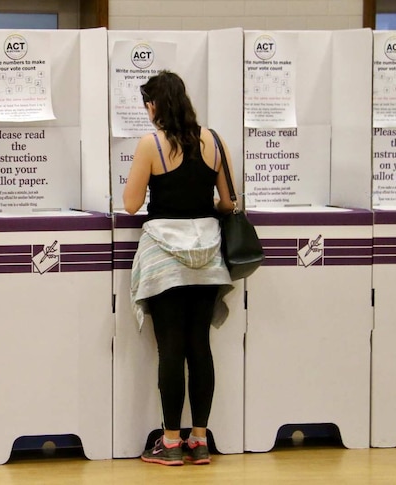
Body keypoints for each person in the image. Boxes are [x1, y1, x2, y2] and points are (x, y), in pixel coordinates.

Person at [123, 71, 236, 466]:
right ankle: (200, 440)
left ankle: (170, 442)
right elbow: (227, 202)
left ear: (154, 106)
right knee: (199, 346)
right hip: (208, 256)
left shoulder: (150, 144)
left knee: (170, 348)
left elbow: (132, 203)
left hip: (165, 259)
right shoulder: (214, 140)